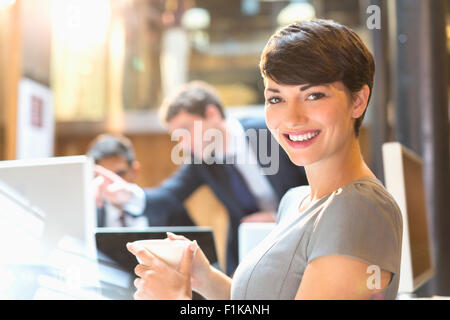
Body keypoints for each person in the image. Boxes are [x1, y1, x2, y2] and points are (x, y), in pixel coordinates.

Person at [126, 19, 403, 300]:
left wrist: (176, 299)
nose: (292, 119)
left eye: (314, 95)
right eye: (276, 99)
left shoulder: (358, 209)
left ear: (358, 101)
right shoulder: (295, 201)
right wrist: (207, 279)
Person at [94, 81, 308, 275]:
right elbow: (168, 196)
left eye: (186, 130)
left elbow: (317, 186)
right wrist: (126, 194)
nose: (184, 144)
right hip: (249, 251)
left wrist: (279, 216)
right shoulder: (202, 159)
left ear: (212, 114)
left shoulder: (269, 132)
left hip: (303, 236)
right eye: (178, 138)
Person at [88, 134, 194, 227]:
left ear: (134, 171)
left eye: (120, 174)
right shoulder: (88, 216)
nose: (114, 183)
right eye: (104, 176)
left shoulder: (166, 207)